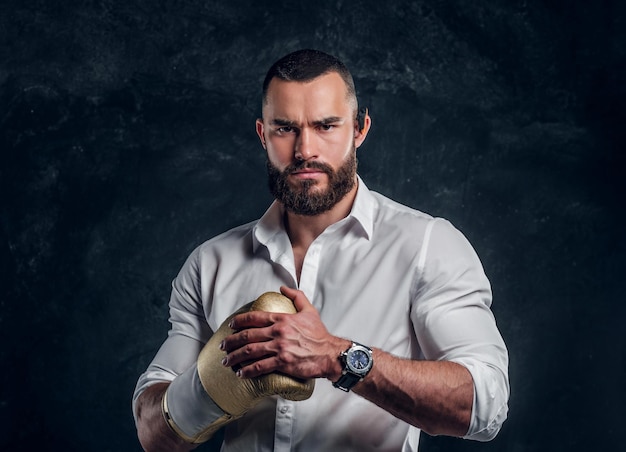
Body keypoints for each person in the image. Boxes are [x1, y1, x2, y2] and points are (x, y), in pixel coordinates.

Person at [132, 49, 509, 451]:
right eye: (285, 129)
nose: (305, 150)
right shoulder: (211, 264)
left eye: (326, 126)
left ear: (360, 128)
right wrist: (218, 378)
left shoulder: (427, 245)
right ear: (262, 134)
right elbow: (153, 434)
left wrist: (338, 357)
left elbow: (485, 405)